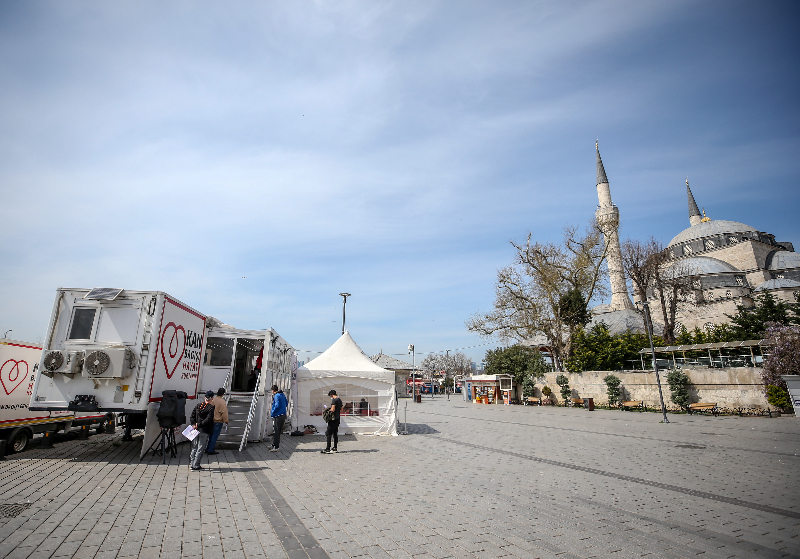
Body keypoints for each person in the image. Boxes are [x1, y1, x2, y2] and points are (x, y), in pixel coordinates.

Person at [189, 391, 215, 471]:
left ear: (204, 397)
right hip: (204, 429)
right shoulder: (211, 408)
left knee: (194, 447)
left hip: (195, 429)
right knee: (201, 447)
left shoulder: (198, 405)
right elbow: (208, 419)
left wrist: (194, 425)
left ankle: (192, 463)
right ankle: (196, 465)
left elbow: (192, 416)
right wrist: (199, 424)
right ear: (212, 398)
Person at [206, 388, 228, 455]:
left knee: (210, 435)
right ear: (223, 394)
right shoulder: (222, 401)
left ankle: (207, 448)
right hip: (218, 421)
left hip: (211, 420)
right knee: (214, 436)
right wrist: (226, 420)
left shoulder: (213, 400)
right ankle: (211, 450)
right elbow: (224, 412)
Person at [321, 389, 342, 454]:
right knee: (335, 433)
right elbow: (342, 409)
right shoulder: (339, 400)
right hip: (338, 418)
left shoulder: (334, 400)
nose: (331, 397)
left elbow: (332, 410)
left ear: (332, 395)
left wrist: (327, 410)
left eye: (330, 396)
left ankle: (328, 449)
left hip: (333, 419)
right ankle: (335, 448)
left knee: (328, 433)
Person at [269, 384, 288, 452]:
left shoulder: (276, 396)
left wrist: (273, 412)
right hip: (283, 415)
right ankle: (274, 444)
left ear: (273, 390)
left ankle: (276, 447)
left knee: (276, 432)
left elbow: (277, 405)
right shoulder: (283, 395)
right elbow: (286, 403)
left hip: (278, 416)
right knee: (278, 431)